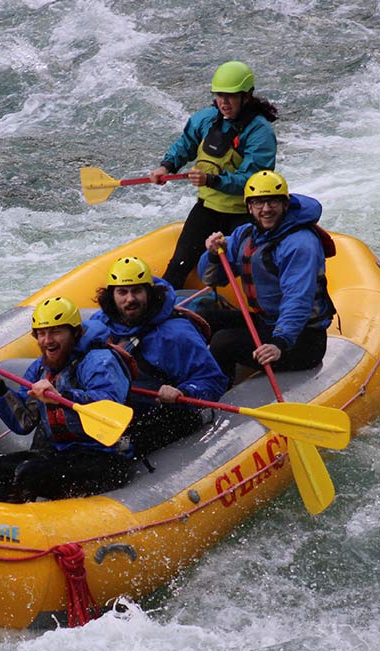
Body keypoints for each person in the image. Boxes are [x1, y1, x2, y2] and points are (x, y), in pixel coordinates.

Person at [0, 297, 134, 503]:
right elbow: (24, 423)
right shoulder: (40, 369)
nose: (47, 340)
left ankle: (27, 528)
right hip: (60, 454)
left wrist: (61, 396)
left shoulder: (99, 361)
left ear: (75, 333)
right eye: (41, 333)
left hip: (105, 458)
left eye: (56, 331)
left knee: (30, 472)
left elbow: (110, 405)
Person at [196, 170, 337, 379]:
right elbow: (212, 279)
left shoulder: (300, 243)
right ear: (249, 207)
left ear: (285, 205)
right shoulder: (245, 234)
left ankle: (213, 401)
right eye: (259, 203)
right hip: (267, 323)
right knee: (204, 318)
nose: (266, 209)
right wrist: (213, 254)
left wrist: (279, 343)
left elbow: (297, 298)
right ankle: (190, 377)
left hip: (302, 339)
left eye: (273, 202)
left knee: (223, 342)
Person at [83, 256, 228, 457]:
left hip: (163, 410)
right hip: (117, 406)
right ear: (112, 295)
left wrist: (184, 392)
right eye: (122, 292)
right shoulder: (99, 325)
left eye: (137, 291)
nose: (130, 299)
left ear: (149, 293)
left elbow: (213, 380)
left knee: (137, 437)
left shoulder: (176, 333)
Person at [151, 60, 279, 288]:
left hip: (243, 215)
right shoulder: (206, 119)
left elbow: (252, 180)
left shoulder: (260, 132)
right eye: (220, 95)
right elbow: (185, 145)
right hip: (207, 210)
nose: (224, 102)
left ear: (246, 96)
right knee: (177, 267)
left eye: (230, 96)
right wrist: (167, 166)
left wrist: (212, 180)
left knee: (253, 273)